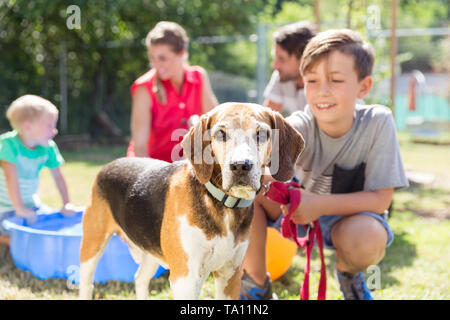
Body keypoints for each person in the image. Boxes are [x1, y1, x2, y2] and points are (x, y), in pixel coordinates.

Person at [240, 29, 409, 300]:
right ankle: (255, 283)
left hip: (349, 219)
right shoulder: (298, 125)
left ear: (363, 87)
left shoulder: (378, 122)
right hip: (296, 212)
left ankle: (349, 275)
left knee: (369, 239)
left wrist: (318, 205)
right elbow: (264, 166)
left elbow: (380, 200)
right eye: (312, 80)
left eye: (336, 80)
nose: (322, 92)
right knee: (246, 192)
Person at [127, 21, 218, 162]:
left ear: (182, 53)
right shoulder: (144, 88)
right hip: (151, 167)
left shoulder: (199, 77)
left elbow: (215, 125)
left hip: (185, 166)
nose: (156, 65)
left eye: (162, 58)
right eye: (152, 58)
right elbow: (140, 148)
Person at [0, 95, 77, 247]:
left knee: (53, 226)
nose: (54, 131)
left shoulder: (48, 147)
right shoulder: (8, 145)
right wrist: (19, 209)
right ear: (28, 126)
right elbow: (10, 177)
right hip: (4, 208)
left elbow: (58, 176)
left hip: (31, 205)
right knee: (22, 240)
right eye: (49, 125)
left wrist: (67, 203)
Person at [263, 21, 316, 116]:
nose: (274, 65)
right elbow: (267, 121)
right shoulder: (281, 77)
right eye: (275, 57)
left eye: (281, 59)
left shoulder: (321, 85)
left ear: (303, 59)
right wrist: (270, 131)